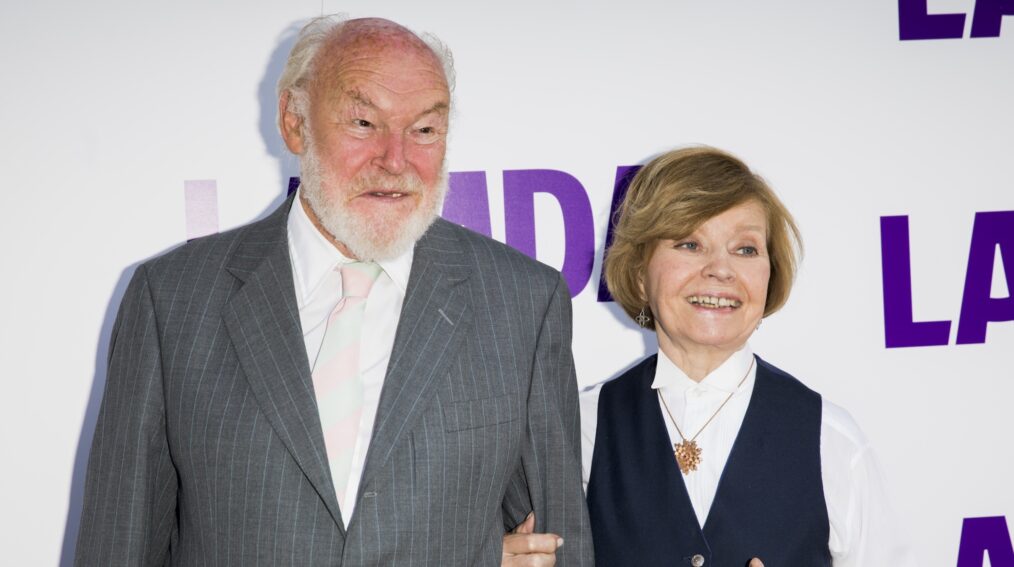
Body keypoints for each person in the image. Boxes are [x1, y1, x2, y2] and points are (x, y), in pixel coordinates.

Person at [75, 16, 591, 566]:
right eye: (364, 122)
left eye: (424, 130)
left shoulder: (521, 303)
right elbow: (119, 547)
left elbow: (559, 547)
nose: (395, 160)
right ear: (294, 123)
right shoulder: (172, 300)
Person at [583, 147, 916, 566]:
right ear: (639, 274)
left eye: (745, 250)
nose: (721, 270)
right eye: (690, 243)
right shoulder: (582, 428)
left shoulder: (831, 439)